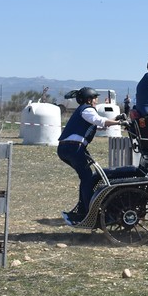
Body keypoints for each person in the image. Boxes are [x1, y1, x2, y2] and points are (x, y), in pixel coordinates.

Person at [58, 87, 123, 226]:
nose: (96, 101)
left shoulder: (82, 111)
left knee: (86, 177)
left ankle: (82, 210)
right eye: (95, 98)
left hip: (66, 148)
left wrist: (115, 119)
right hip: (73, 148)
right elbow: (100, 121)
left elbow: (98, 125)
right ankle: (89, 213)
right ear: (89, 99)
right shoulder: (87, 110)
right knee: (88, 178)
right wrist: (120, 123)